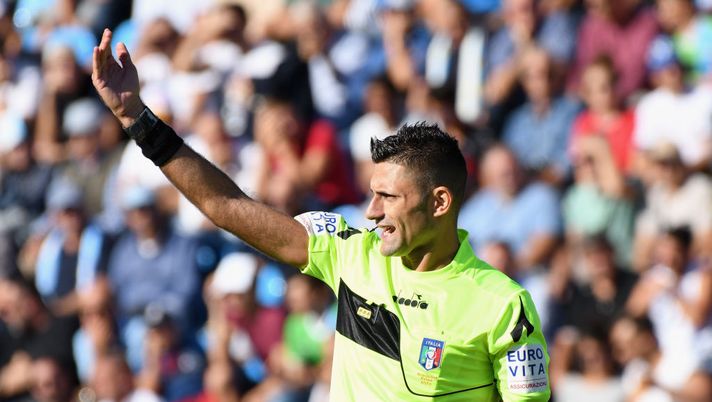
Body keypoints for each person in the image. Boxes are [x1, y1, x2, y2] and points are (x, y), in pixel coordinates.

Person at [92, 28, 551, 401]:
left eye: (389, 197)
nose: (371, 212)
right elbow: (225, 207)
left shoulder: (503, 306)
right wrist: (137, 118)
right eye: (372, 194)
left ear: (439, 203)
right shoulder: (351, 255)